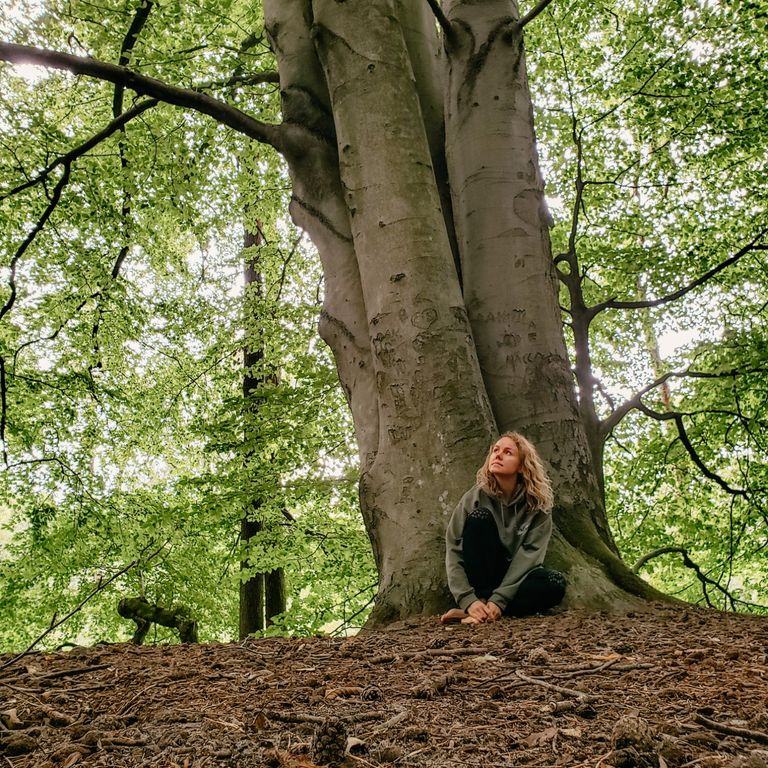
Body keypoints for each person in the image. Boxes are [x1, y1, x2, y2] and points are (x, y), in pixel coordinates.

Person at [441, 432, 566, 624]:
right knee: (479, 518)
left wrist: (500, 600)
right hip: (483, 576)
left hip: (516, 581)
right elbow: (454, 550)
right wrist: (468, 599)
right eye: (495, 451)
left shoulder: (538, 505)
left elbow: (529, 557)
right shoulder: (474, 498)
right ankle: (479, 606)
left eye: (508, 452)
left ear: (522, 465)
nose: (497, 455)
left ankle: (484, 612)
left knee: (555, 583)